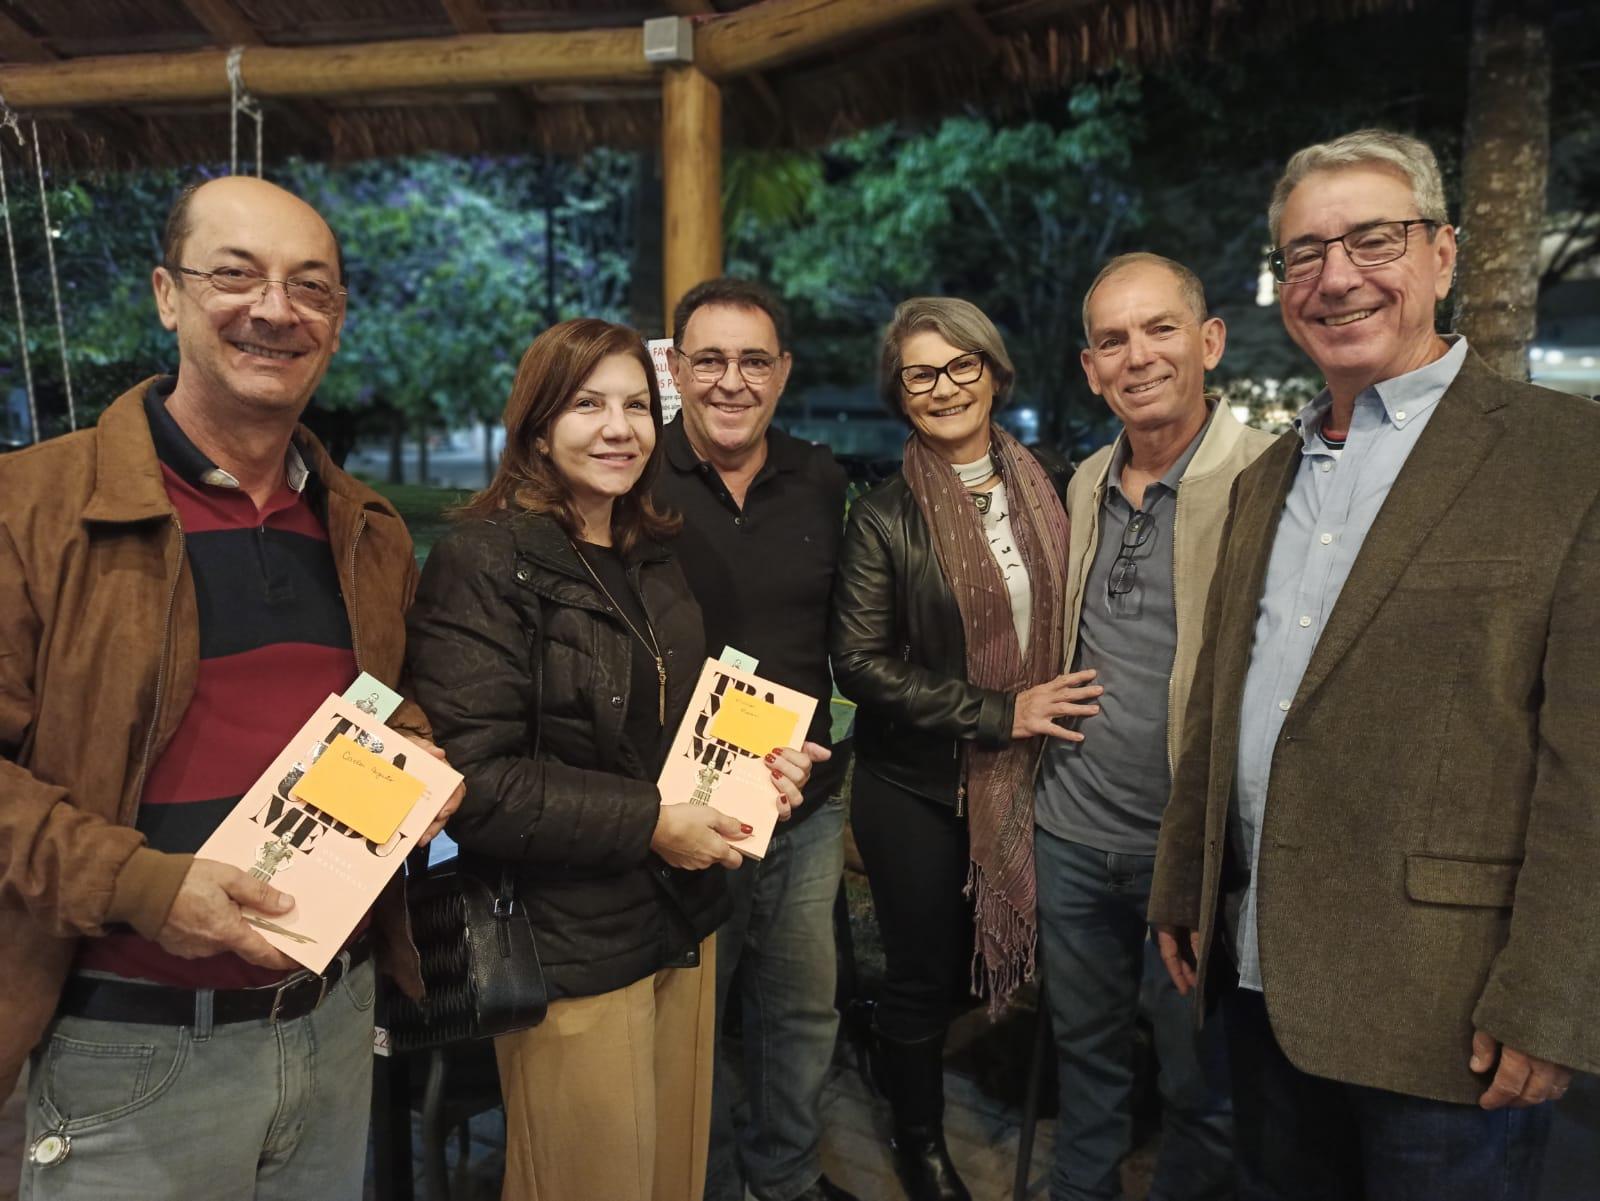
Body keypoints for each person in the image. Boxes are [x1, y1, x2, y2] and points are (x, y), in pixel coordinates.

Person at [1149, 128, 1600, 1200]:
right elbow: (1224, 696)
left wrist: (1550, 993)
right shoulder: (1267, 475)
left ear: (1442, 255)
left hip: (1444, 1011)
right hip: (1260, 978)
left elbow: (1589, 762)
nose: (1336, 276)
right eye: (1304, 252)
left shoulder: (1562, 458)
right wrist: (1184, 877)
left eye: (1372, 239)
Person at [0, 175, 460, 1200]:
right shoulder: (32, 507)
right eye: (235, 276)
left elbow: (383, 705)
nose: (274, 310)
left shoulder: (363, 528)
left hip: (333, 1020)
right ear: (167, 293)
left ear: (336, 322)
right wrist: (146, 888)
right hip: (130, 1045)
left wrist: (420, 758)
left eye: (311, 288)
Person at [405, 318, 827, 1201]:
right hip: (569, 943)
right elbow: (475, 780)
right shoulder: (485, 561)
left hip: (682, 921)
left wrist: (757, 769)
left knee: (671, 1175)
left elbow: (669, 727)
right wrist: (651, 824)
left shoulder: (648, 550)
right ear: (537, 421)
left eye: (636, 405)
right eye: (587, 404)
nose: (618, 428)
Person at [831, 297, 1098, 1201]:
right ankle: (918, 1140)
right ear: (899, 393)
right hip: (915, 785)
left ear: (994, 373)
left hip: (1039, 779)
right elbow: (860, 663)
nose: (943, 387)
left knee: (1031, 963)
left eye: (961, 367)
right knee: (925, 975)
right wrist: (1000, 711)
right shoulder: (882, 514)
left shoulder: (1056, 486)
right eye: (921, 373)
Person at [1035, 253, 1268, 1201]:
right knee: (1083, 1067)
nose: (1138, 356)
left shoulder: (1269, 477)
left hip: (1195, 852)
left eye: (1160, 328)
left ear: (1208, 342)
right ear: (1089, 367)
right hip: (1072, 837)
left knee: (1203, 1087)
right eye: (1112, 339)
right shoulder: (1087, 477)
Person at [653, 278, 857, 1201]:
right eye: (710, 359)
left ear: (782, 372)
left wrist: (826, 738)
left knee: (801, 1005)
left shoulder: (820, 476)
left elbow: (845, 642)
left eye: (753, 361)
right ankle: (700, 1180)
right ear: (676, 367)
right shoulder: (634, 476)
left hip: (804, 798)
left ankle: (783, 1177)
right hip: (682, 807)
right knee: (693, 1009)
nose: (731, 381)